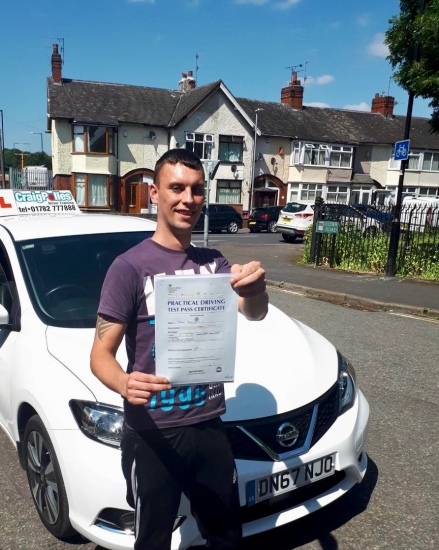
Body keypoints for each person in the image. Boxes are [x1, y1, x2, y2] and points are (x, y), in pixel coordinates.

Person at [90, 148, 268, 550]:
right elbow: (100, 355)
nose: (188, 199)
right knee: (152, 540)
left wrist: (257, 290)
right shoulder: (128, 267)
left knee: (226, 536)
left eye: (197, 190)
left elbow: (253, 313)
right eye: (176, 188)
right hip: (153, 432)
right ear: (155, 193)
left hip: (209, 426)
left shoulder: (215, 263)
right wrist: (123, 382)